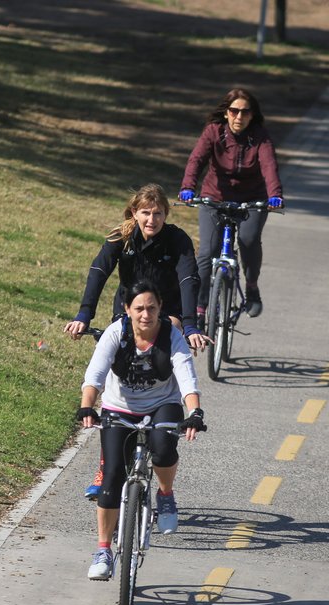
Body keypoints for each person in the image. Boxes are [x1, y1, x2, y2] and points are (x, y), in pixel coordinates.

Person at [64, 184, 208, 500]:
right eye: (145, 212)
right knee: (117, 382)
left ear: (165, 215)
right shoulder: (121, 237)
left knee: (162, 355)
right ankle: (107, 465)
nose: (152, 219)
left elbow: (188, 279)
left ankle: (162, 408)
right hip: (128, 310)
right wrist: (84, 315)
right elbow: (98, 271)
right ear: (134, 212)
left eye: (158, 213)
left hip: (166, 311)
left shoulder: (177, 239)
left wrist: (189, 324)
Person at [76, 280, 206, 580]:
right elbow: (95, 374)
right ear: (127, 309)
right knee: (110, 479)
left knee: (162, 449)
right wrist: (87, 406)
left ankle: (166, 493)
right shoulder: (115, 333)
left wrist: (195, 411)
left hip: (162, 404)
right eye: (139, 309)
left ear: (160, 309)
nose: (145, 315)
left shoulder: (171, 335)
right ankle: (103, 550)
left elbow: (186, 376)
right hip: (119, 407)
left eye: (152, 308)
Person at [179, 88, 284, 319]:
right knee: (207, 252)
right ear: (226, 113)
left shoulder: (260, 137)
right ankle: (199, 307)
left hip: (252, 200)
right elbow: (197, 159)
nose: (239, 117)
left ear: (252, 115)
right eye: (234, 111)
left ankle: (252, 287)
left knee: (248, 240)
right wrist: (188, 187)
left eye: (245, 112)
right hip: (215, 197)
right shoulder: (213, 132)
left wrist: (275, 194)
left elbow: (269, 166)